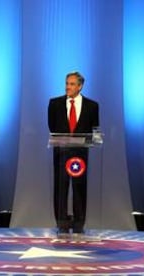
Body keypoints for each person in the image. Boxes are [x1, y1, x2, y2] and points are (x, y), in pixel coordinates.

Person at [48, 71, 99, 236]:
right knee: (61, 188)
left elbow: (95, 130)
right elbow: (52, 127)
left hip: (80, 154)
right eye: (66, 83)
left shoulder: (92, 106)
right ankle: (62, 223)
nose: (67, 87)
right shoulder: (54, 103)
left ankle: (79, 224)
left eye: (71, 84)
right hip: (61, 153)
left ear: (80, 86)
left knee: (79, 188)